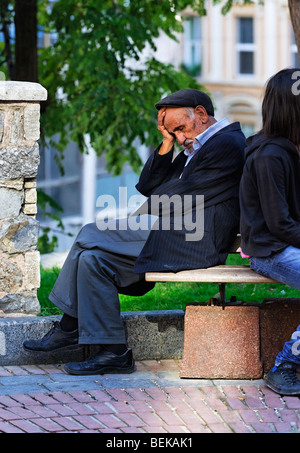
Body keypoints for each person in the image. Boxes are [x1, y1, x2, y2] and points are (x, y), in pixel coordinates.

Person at [23, 88, 245, 375]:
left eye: (180, 128)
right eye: (171, 132)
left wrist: (141, 212)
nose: (179, 137)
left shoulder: (227, 143)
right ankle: (113, 353)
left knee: (89, 234)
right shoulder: (194, 147)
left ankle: (67, 327)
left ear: (201, 114)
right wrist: (167, 142)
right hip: (175, 233)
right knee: (93, 261)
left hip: (195, 240)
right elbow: (150, 186)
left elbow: (182, 195)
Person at [239, 68, 300, 395]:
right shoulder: (270, 155)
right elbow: (280, 224)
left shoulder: (287, 149)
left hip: (284, 244)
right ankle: (285, 365)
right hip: (269, 251)